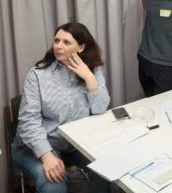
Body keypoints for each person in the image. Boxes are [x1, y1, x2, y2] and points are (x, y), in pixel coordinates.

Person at [12, 22, 111, 192]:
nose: (59, 46)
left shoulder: (92, 71)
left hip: (77, 144)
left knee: (104, 170)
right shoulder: (38, 75)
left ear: (81, 48)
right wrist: (46, 155)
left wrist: (89, 78)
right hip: (40, 145)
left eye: (66, 42)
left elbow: (100, 109)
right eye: (57, 41)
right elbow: (28, 122)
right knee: (53, 184)